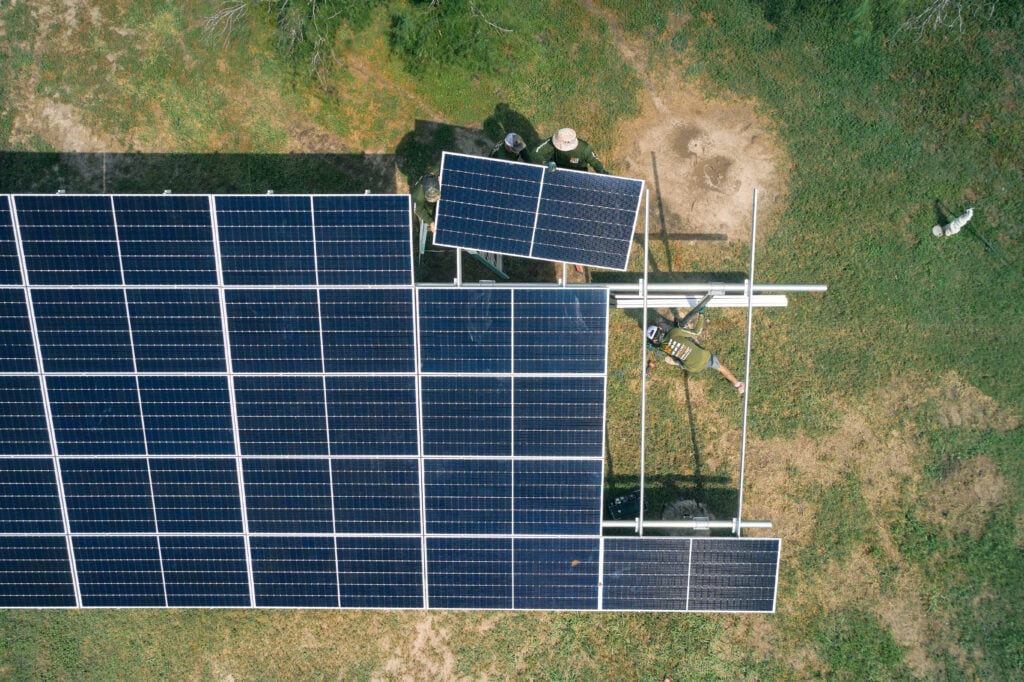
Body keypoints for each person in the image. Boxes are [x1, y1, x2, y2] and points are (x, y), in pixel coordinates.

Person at [645, 310, 745, 394]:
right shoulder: (673, 332)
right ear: (660, 329)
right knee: (721, 368)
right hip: (704, 357)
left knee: (677, 358)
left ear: (654, 340)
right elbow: (696, 332)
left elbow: (659, 346)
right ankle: (738, 384)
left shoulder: (662, 347)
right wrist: (701, 314)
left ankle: (675, 362)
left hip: (693, 368)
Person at [529, 127, 609, 173]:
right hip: (556, 171)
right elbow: (535, 153)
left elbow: (595, 162)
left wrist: (601, 171)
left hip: (578, 175)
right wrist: (545, 163)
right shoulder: (553, 141)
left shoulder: (585, 149)